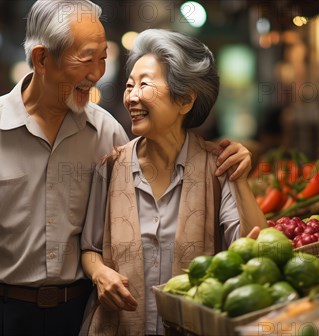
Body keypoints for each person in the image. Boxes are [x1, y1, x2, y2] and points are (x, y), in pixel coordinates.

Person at [0, 1, 252, 335]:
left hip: (73, 313)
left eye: (103, 58)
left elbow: (101, 240)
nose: (97, 74)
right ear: (42, 59)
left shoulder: (107, 136)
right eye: (87, 58)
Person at [80, 29, 267, 335]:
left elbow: (254, 250)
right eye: (129, 85)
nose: (132, 96)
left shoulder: (216, 166)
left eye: (144, 84)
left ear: (185, 100)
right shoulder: (111, 166)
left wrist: (241, 181)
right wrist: (100, 273)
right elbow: (90, 248)